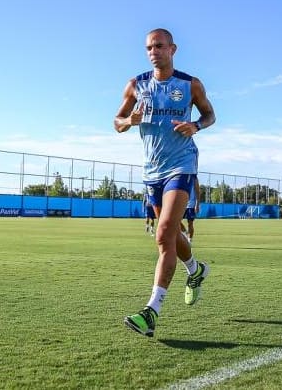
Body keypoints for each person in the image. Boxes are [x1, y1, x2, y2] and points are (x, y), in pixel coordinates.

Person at [114, 28, 216, 337]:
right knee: (171, 234)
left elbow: (210, 114)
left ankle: (151, 311)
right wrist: (129, 122)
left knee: (162, 235)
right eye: (148, 47)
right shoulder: (136, 85)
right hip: (151, 172)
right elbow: (116, 122)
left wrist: (196, 125)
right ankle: (195, 269)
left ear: (173, 49)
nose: (153, 51)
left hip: (181, 165)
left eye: (159, 46)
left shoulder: (189, 85)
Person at [181, 176, 201, 244]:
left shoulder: (194, 177)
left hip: (191, 205)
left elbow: (197, 191)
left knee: (190, 223)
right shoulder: (180, 176)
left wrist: (197, 204)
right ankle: (184, 233)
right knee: (176, 222)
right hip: (181, 204)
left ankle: (189, 240)